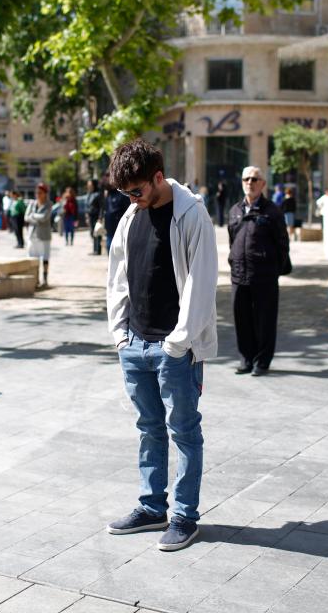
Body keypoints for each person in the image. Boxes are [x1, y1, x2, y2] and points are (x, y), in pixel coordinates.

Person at [105, 139, 217, 552]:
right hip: (134, 343)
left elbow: (202, 285)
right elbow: (117, 276)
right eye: (125, 194)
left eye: (137, 191)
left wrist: (177, 343)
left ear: (157, 177)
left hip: (176, 349)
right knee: (148, 429)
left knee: (184, 431)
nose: (132, 200)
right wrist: (120, 335)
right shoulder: (131, 216)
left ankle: (185, 517)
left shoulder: (191, 214)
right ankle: (152, 507)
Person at [228, 166, 291, 376]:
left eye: (255, 179)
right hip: (239, 275)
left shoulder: (272, 211)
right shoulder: (235, 210)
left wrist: (273, 270)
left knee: (264, 320)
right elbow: (232, 240)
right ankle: (246, 359)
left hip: (264, 276)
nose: (250, 182)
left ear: (263, 183)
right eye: (246, 178)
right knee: (242, 319)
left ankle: (262, 362)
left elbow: (283, 244)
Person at [26, 183, 53, 288]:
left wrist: (33, 216)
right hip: (32, 235)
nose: (38, 195)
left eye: (40, 193)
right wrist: (36, 218)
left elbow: (44, 217)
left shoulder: (49, 204)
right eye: (37, 192)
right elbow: (26, 217)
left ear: (45, 194)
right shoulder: (32, 203)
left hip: (44, 235)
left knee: (45, 258)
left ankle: (45, 280)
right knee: (33, 258)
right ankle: (35, 279)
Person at [104, 174, 129, 254]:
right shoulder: (108, 195)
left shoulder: (123, 194)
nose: (108, 181)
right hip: (109, 228)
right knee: (109, 248)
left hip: (119, 227)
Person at [87, 179, 103, 255]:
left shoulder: (98, 194)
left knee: (97, 233)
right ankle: (94, 249)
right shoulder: (90, 194)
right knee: (92, 233)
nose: (88, 185)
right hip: (91, 216)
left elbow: (101, 207)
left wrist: (100, 217)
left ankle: (98, 250)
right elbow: (88, 205)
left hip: (96, 216)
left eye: (90, 184)